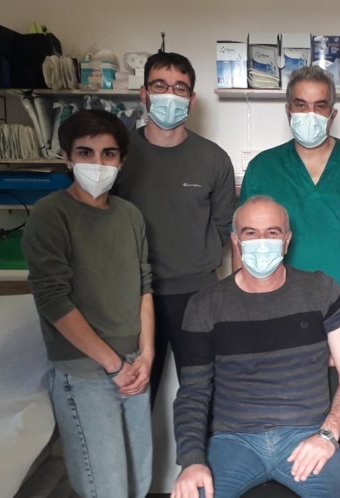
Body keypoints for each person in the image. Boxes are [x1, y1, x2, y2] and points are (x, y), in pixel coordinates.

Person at [237, 65, 340, 497]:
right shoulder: (264, 168)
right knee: (293, 432)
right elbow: (243, 245)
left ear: (332, 113)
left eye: (320, 106)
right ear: (288, 110)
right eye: (301, 105)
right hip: (283, 327)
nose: (310, 114)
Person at [171, 196, 340, 498]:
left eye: (272, 233)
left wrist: (328, 435)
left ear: (286, 241)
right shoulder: (204, 305)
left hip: (307, 435)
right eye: (251, 233)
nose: (262, 243)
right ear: (236, 242)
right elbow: (193, 392)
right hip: (233, 440)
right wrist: (192, 461)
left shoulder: (322, 292)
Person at [22, 109, 154, 498]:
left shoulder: (130, 216)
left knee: (139, 482)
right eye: (85, 153)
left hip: (133, 366)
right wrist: (113, 365)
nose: (98, 163)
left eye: (108, 154)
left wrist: (146, 355)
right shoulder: (51, 214)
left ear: (121, 160)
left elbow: (144, 287)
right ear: (67, 157)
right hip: (85, 372)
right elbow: (52, 300)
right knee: (106, 488)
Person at [115, 52, 235, 404]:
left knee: (204, 394)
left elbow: (223, 224)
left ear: (191, 99)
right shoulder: (117, 154)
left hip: (197, 295)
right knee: (135, 393)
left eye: (180, 88)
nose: (170, 94)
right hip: (131, 294)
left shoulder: (213, 158)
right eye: (160, 86)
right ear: (144, 93)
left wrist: (195, 259)